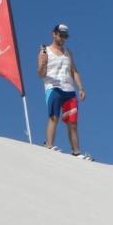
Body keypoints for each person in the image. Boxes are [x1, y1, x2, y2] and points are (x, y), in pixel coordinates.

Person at [37, 24, 92, 160]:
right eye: (61, 35)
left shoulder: (68, 52)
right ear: (54, 34)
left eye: (65, 36)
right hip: (53, 87)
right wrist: (43, 64)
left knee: (72, 122)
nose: (63, 38)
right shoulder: (45, 52)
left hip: (69, 89)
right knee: (53, 116)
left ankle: (76, 151)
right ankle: (49, 144)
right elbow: (40, 73)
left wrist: (81, 88)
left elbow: (74, 71)